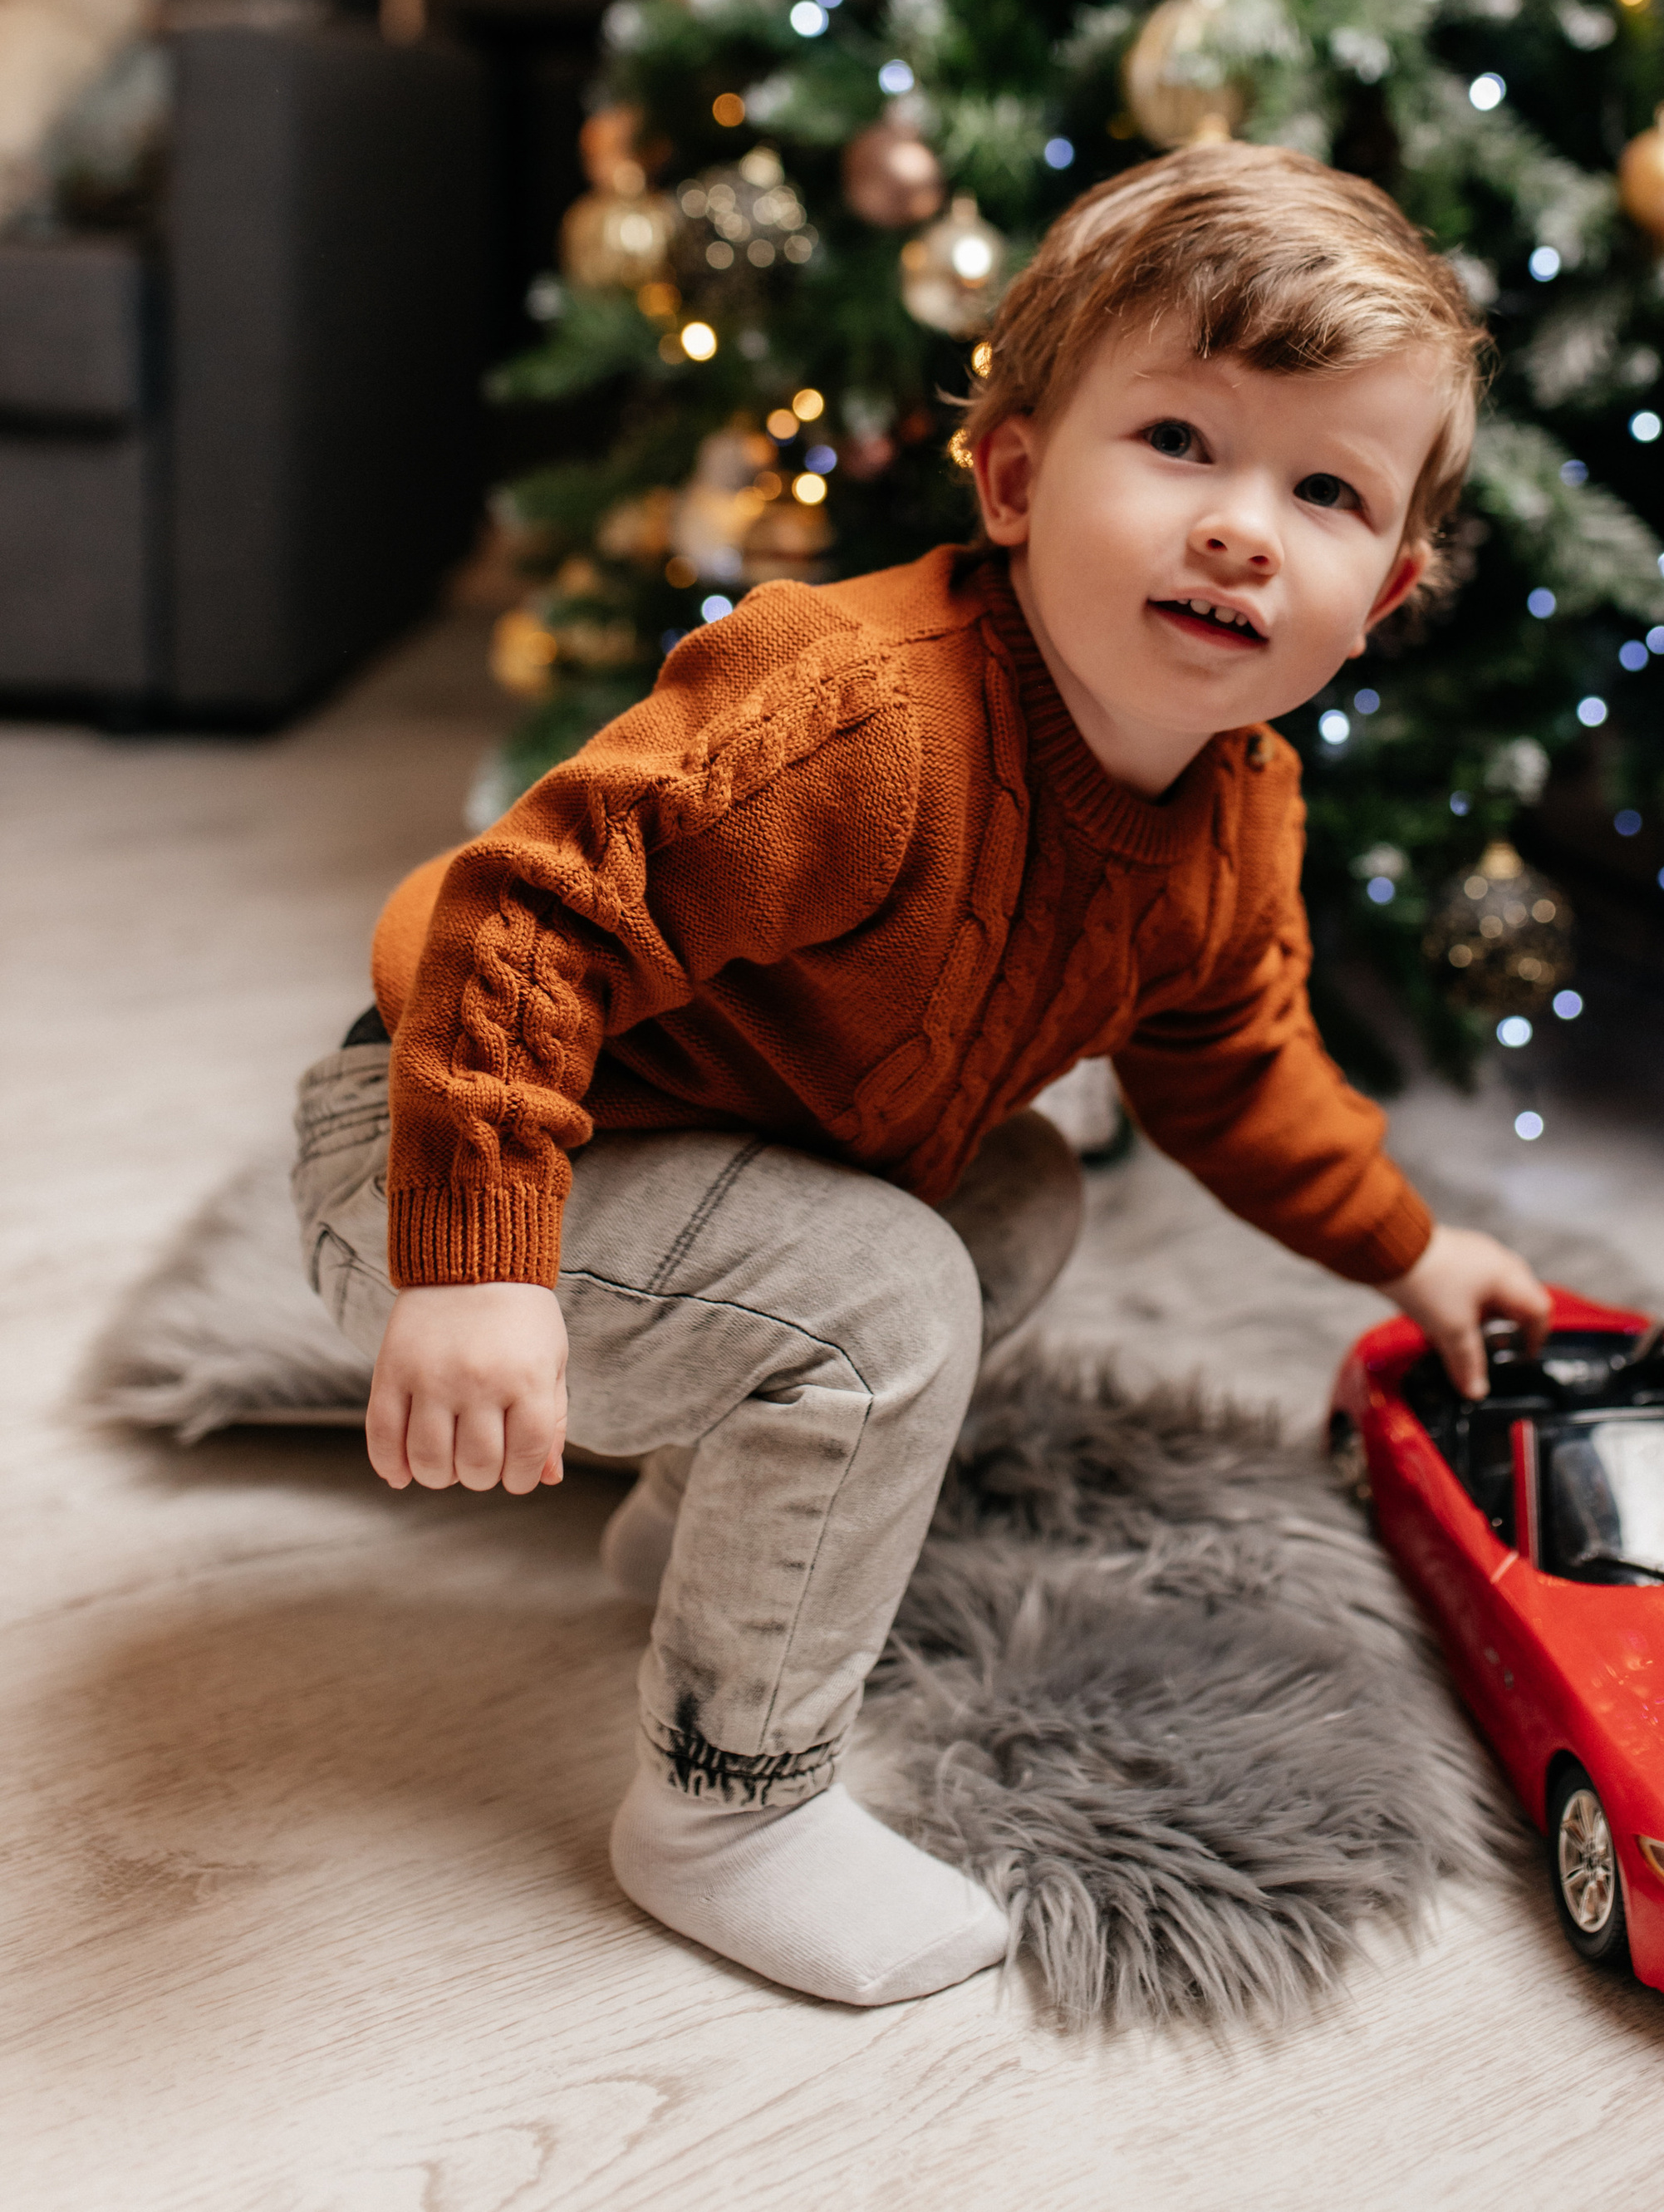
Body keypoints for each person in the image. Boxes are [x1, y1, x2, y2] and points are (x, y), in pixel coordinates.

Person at [292, 142, 1550, 2009]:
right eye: (1180, 445)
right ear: (1018, 474)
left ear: (1383, 594)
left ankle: (704, 1540)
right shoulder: (862, 719)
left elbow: (1233, 1072)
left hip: (710, 1153)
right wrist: (476, 1255)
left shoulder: (1234, 815)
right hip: (447, 1135)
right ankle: (728, 1806)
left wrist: (1404, 1249)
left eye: (1324, 491)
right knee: (887, 1301)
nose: (1240, 529)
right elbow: (522, 924)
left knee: (1016, 1193)